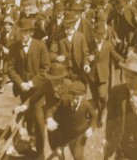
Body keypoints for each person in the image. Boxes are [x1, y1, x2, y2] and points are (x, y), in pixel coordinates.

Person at [8, 18, 50, 159]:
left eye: (27, 32)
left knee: (39, 121)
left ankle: (40, 152)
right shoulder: (14, 47)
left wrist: (31, 83)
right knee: (29, 118)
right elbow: (11, 68)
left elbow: (45, 70)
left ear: (32, 32)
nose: (24, 35)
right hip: (23, 90)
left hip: (38, 91)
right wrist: (20, 83)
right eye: (22, 32)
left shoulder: (40, 46)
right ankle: (30, 143)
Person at [47, 81, 97, 160]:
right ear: (69, 94)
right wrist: (49, 119)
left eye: (77, 98)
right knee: (59, 151)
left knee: (78, 156)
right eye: (73, 96)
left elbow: (94, 115)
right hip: (65, 132)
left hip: (79, 135)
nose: (74, 100)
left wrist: (91, 128)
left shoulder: (86, 104)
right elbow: (51, 110)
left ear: (83, 96)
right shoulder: (64, 100)